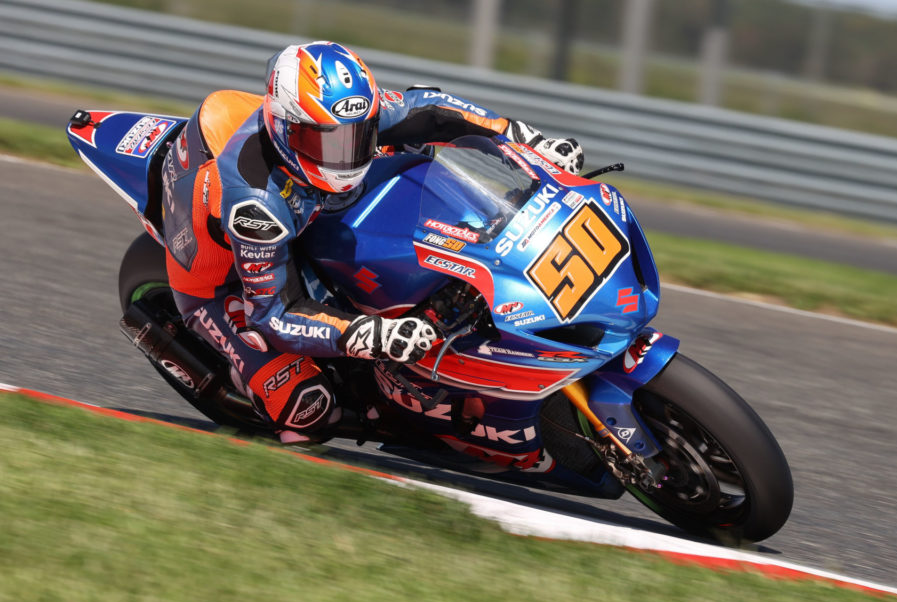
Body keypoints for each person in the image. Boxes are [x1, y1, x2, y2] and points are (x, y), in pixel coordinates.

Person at [159, 41, 584, 443]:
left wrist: (526, 138)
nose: (344, 155)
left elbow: (431, 109)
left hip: (303, 214)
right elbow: (273, 314)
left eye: (357, 137)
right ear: (287, 130)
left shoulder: (347, 117)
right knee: (306, 409)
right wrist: (372, 334)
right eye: (325, 142)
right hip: (216, 281)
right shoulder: (255, 203)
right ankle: (246, 379)